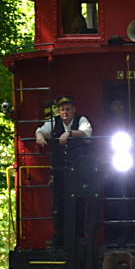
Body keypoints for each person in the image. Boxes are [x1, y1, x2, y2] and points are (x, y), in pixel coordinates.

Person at [35, 96, 93, 246]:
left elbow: (86, 133)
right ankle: (59, 238)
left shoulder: (81, 120)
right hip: (60, 170)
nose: (65, 112)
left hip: (79, 171)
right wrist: (40, 136)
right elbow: (41, 130)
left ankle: (79, 237)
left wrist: (70, 133)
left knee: (79, 203)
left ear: (73, 109)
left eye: (67, 109)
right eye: (62, 110)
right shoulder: (54, 122)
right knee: (59, 205)